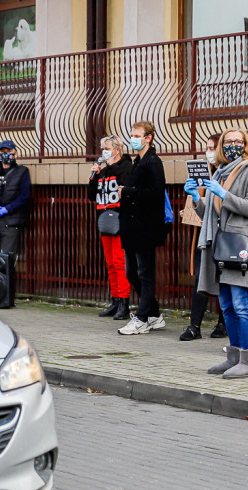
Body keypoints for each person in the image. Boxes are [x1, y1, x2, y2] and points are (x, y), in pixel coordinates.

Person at [184, 128, 248, 378]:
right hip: (219, 245)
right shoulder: (219, 172)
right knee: (227, 305)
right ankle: (233, 357)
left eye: (238, 141)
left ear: (246, 145)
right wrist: (196, 199)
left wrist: (223, 194)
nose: (232, 145)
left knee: (242, 305)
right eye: (227, 141)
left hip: (238, 246)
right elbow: (210, 215)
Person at [116, 121, 167, 335]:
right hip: (132, 226)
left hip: (145, 226)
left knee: (145, 273)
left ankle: (143, 317)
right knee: (131, 273)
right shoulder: (139, 160)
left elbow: (156, 193)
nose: (133, 139)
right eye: (132, 134)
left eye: (137, 135)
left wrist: (127, 192)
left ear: (148, 138)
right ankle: (153, 312)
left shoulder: (153, 162)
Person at [180, 133, 227, 341]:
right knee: (201, 278)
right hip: (206, 234)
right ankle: (194, 325)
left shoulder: (229, 174)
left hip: (225, 235)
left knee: (225, 279)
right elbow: (201, 207)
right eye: (206, 148)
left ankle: (223, 323)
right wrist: (193, 207)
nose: (208, 152)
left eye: (211, 148)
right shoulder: (206, 174)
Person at [88, 134, 133, 319]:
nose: (104, 152)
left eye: (107, 148)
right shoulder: (103, 171)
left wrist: (112, 165)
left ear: (117, 149)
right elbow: (92, 196)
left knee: (121, 262)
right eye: (103, 149)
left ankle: (124, 302)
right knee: (111, 263)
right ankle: (114, 300)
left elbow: (125, 184)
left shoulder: (126, 167)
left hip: (120, 220)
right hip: (105, 219)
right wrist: (94, 176)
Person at [0, 140, 31, 260]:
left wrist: (6, 209)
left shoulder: (22, 172)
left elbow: (24, 196)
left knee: (7, 259)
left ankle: (7, 279)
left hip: (10, 222)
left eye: (9, 151)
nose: (6, 154)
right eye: (3, 152)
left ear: (16, 154)